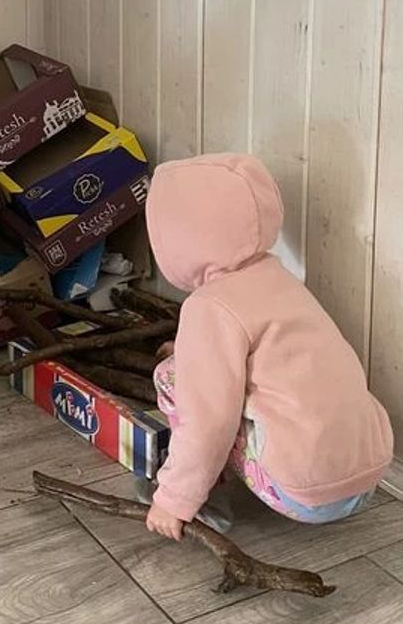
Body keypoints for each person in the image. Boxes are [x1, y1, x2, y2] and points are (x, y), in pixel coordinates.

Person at [140, 153, 393, 541]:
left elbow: (207, 420)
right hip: (370, 477)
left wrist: (173, 499)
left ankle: (205, 495)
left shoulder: (208, 306)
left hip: (307, 497)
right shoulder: (285, 282)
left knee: (173, 378)